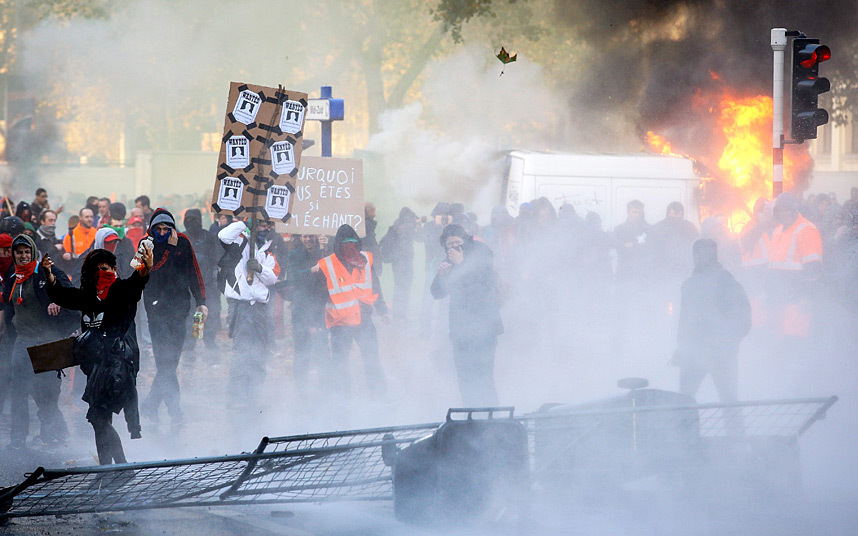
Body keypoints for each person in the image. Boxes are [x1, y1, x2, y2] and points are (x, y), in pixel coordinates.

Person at [44, 245, 154, 464]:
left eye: (107, 268)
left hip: (118, 365)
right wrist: (49, 274)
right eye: (98, 269)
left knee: (97, 416)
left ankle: (118, 469)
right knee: (100, 419)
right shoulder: (88, 296)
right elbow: (64, 296)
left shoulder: (122, 291)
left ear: (114, 268)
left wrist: (146, 268)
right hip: (96, 366)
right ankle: (112, 470)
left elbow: (137, 282)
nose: (103, 273)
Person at [2, 234, 74, 448]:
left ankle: (53, 434)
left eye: (27, 252)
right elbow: (8, 305)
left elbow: (68, 293)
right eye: (19, 252)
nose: (23, 256)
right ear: (13, 255)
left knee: (48, 394)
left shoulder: (45, 272)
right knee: (19, 391)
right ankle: (17, 439)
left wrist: (56, 301)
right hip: (23, 341)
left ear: (33, 252)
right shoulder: (13, 277)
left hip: (49, 342)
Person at [140, 208, 207, 427]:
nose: (162, 232)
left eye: (166, 229)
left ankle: (150, 405)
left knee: (170, 364)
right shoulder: (145, 245)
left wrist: (202, 301)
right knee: (165, 363)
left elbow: (194, 272)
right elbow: (140, 274)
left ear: (172, 228)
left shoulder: (184, 242)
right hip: (156, 312)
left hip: (180, 311)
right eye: (158, 229)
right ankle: (175, 411)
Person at [313, 224, 389, 403]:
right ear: (338, 245)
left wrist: (382, 309)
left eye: (353, 243)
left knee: (372, 359)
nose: (350, 248)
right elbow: (318, 296)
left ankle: (380, 398)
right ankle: (342, 400)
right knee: (340, 364)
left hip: (364, 321)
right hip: (339, 324)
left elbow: (375, 285)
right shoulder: (326, 264)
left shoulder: (366, 260)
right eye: (345, 244)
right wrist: (317, 323)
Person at [673, 239, 751, 411]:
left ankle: (683, 436)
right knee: (730, 402)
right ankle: (736, 438)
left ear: (695, 257)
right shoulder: (728, 282)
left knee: (684, 402)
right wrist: (731, 341)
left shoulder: (690, 285)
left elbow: (684, 322)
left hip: (695, 352)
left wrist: (682, 348)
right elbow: (745, 317)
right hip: (721, 352)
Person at [431, 224, 503, 406]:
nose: (454, 248)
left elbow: (483, 284)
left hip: (485, 326)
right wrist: (442, 276)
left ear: (465, 239)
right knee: (464, 376)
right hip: (460, 329)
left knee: (483, 375)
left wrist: (462, 264)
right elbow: (437, 293)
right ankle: (471, 416)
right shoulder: (450, 259)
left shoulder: (481, 252)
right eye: (450, 245)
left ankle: (492, 419)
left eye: (458, 242)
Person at [218, 218, 280, 409]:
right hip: (242, 306)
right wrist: (244, 223)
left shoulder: (269, 250)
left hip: (260, 308)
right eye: (261, 225)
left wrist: (259, 268)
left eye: (268, 226)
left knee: (260, 353)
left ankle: (253, 395)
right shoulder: (240, 241)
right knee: (242, 353)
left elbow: (273, 277)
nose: (265, 229)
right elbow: (223, 236)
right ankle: (235, 397)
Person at [284, 234, 329, 399]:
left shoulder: (323, 251)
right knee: (302, 350)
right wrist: (311, 270)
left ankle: (325, 387)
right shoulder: (294, 254)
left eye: (311, 236)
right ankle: (300, 389)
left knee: (322, 348)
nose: (308, 239)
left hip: (320, 308)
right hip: (301, 309)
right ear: (300, 237)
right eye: (305, 236)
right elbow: (293, 277)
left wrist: (326, 247)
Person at [182, 209, 222, 350]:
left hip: (208, 285)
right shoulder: (182, 238)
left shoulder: (209, 237)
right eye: (189, 220)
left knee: (210, 316)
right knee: (192, 317)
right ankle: (191, 344)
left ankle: (209, 343)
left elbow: (217, 259)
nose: (192, 223)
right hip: (189, 287)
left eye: (195, 219)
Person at [381, 207, 420, 321]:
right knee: (404, 289)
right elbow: (419, 238)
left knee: (399, 288)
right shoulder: (406, 226)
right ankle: (400, 315)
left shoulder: (397, 225)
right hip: (404, 262)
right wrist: (417, 225)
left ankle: (399, 314)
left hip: (397, 262)